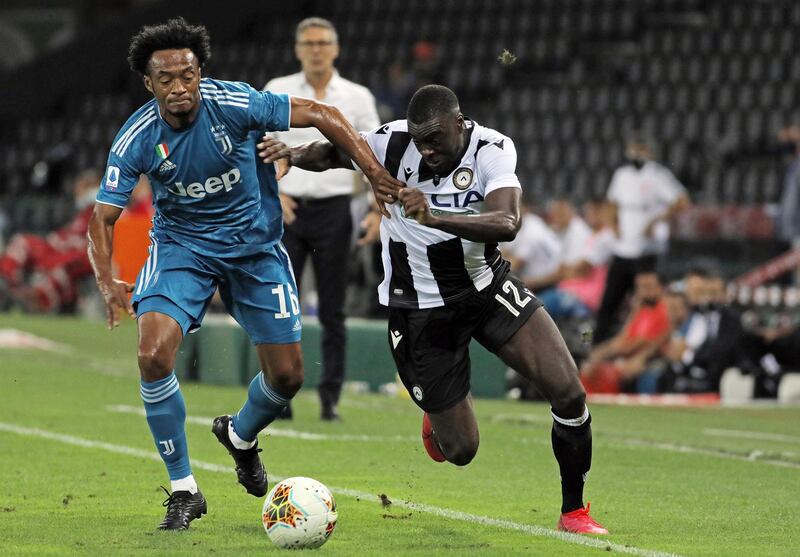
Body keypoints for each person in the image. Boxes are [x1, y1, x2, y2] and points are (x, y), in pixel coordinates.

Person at [87, 17, 401, 531]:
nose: (179, 86)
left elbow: (322, 113)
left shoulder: (233, 103)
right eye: (165, 79)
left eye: (187, 75)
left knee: (288, 375)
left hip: (254, 250)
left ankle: (239, 436)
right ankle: (185, 489)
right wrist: (107, 281)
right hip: (181, 250)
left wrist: (375, 174)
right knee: (150, 354)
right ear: (149, 83)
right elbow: (102, 218)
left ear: (200, 73)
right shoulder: (137, 137)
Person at [260, 84, 608, 534]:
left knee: (569, 393)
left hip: (486, 288)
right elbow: (330, 152)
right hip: (419, 310)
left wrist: (434, 217)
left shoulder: (492, 148)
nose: (426, 149)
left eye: (435, 139)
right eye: (419, 139)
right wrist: (291, 152)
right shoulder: (392, 141)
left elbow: (509, 222)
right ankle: (438, 414)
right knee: (461, 450)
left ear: (459, 123)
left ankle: (573, 511)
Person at [264, 17, 380, 421]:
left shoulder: (357, 96)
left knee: (333, 310)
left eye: (323, 42)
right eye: (309, 43)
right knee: (280, 306)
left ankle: (330, 398)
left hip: (334, 210)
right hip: (287, 207)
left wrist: (376, 210)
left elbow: (373, 156)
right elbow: (253, 145)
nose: (316, 49)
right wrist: (272, 193)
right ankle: (280, 395)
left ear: (335, 48)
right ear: (298, 49)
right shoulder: (277, 90)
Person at [593, 134, 690, 344]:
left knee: (645, 301)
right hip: (623, 249)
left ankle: (643, 342)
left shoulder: (658, 175)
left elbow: (682, 201)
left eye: (640, 148)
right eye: (633, 149)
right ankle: (595, 344)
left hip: (647, 250)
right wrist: (612, 224)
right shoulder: (621, 175)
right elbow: (611, 202)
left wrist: (657, 220)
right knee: (610, 301)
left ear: (649, 151)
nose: (636, 153)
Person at [0, 168, 99, 312]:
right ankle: (8, 285)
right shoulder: (81, 215)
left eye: (83, 189)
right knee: (22, 241)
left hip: (73, 262)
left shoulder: (102, 214)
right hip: (52, 252)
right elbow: (61, 238)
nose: (78, 194)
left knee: (62, 271)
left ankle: (31, 301)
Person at [581, 271, 672, 393]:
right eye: (640, 287)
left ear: (661, 288)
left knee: (601, 370)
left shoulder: (664, 310)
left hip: (648, 358)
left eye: (648, 287)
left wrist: (606, 353)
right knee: (589, 361)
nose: (643, 292)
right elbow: (624, 336)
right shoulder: (641, 309)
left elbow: (644, 342)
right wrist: (600, 352)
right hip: (627, 355)